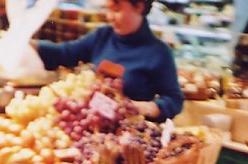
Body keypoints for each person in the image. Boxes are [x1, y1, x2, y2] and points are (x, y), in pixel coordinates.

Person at [36, 0, 184, 121]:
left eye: (116, 10)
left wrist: (147, 107)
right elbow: (65, 53)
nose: (109, 16)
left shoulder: (158, 52)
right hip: (92, 127)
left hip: (129, 139)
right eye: (108, 9)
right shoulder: (103, 35)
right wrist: (28, 44)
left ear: (139, 6)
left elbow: (174, 100)